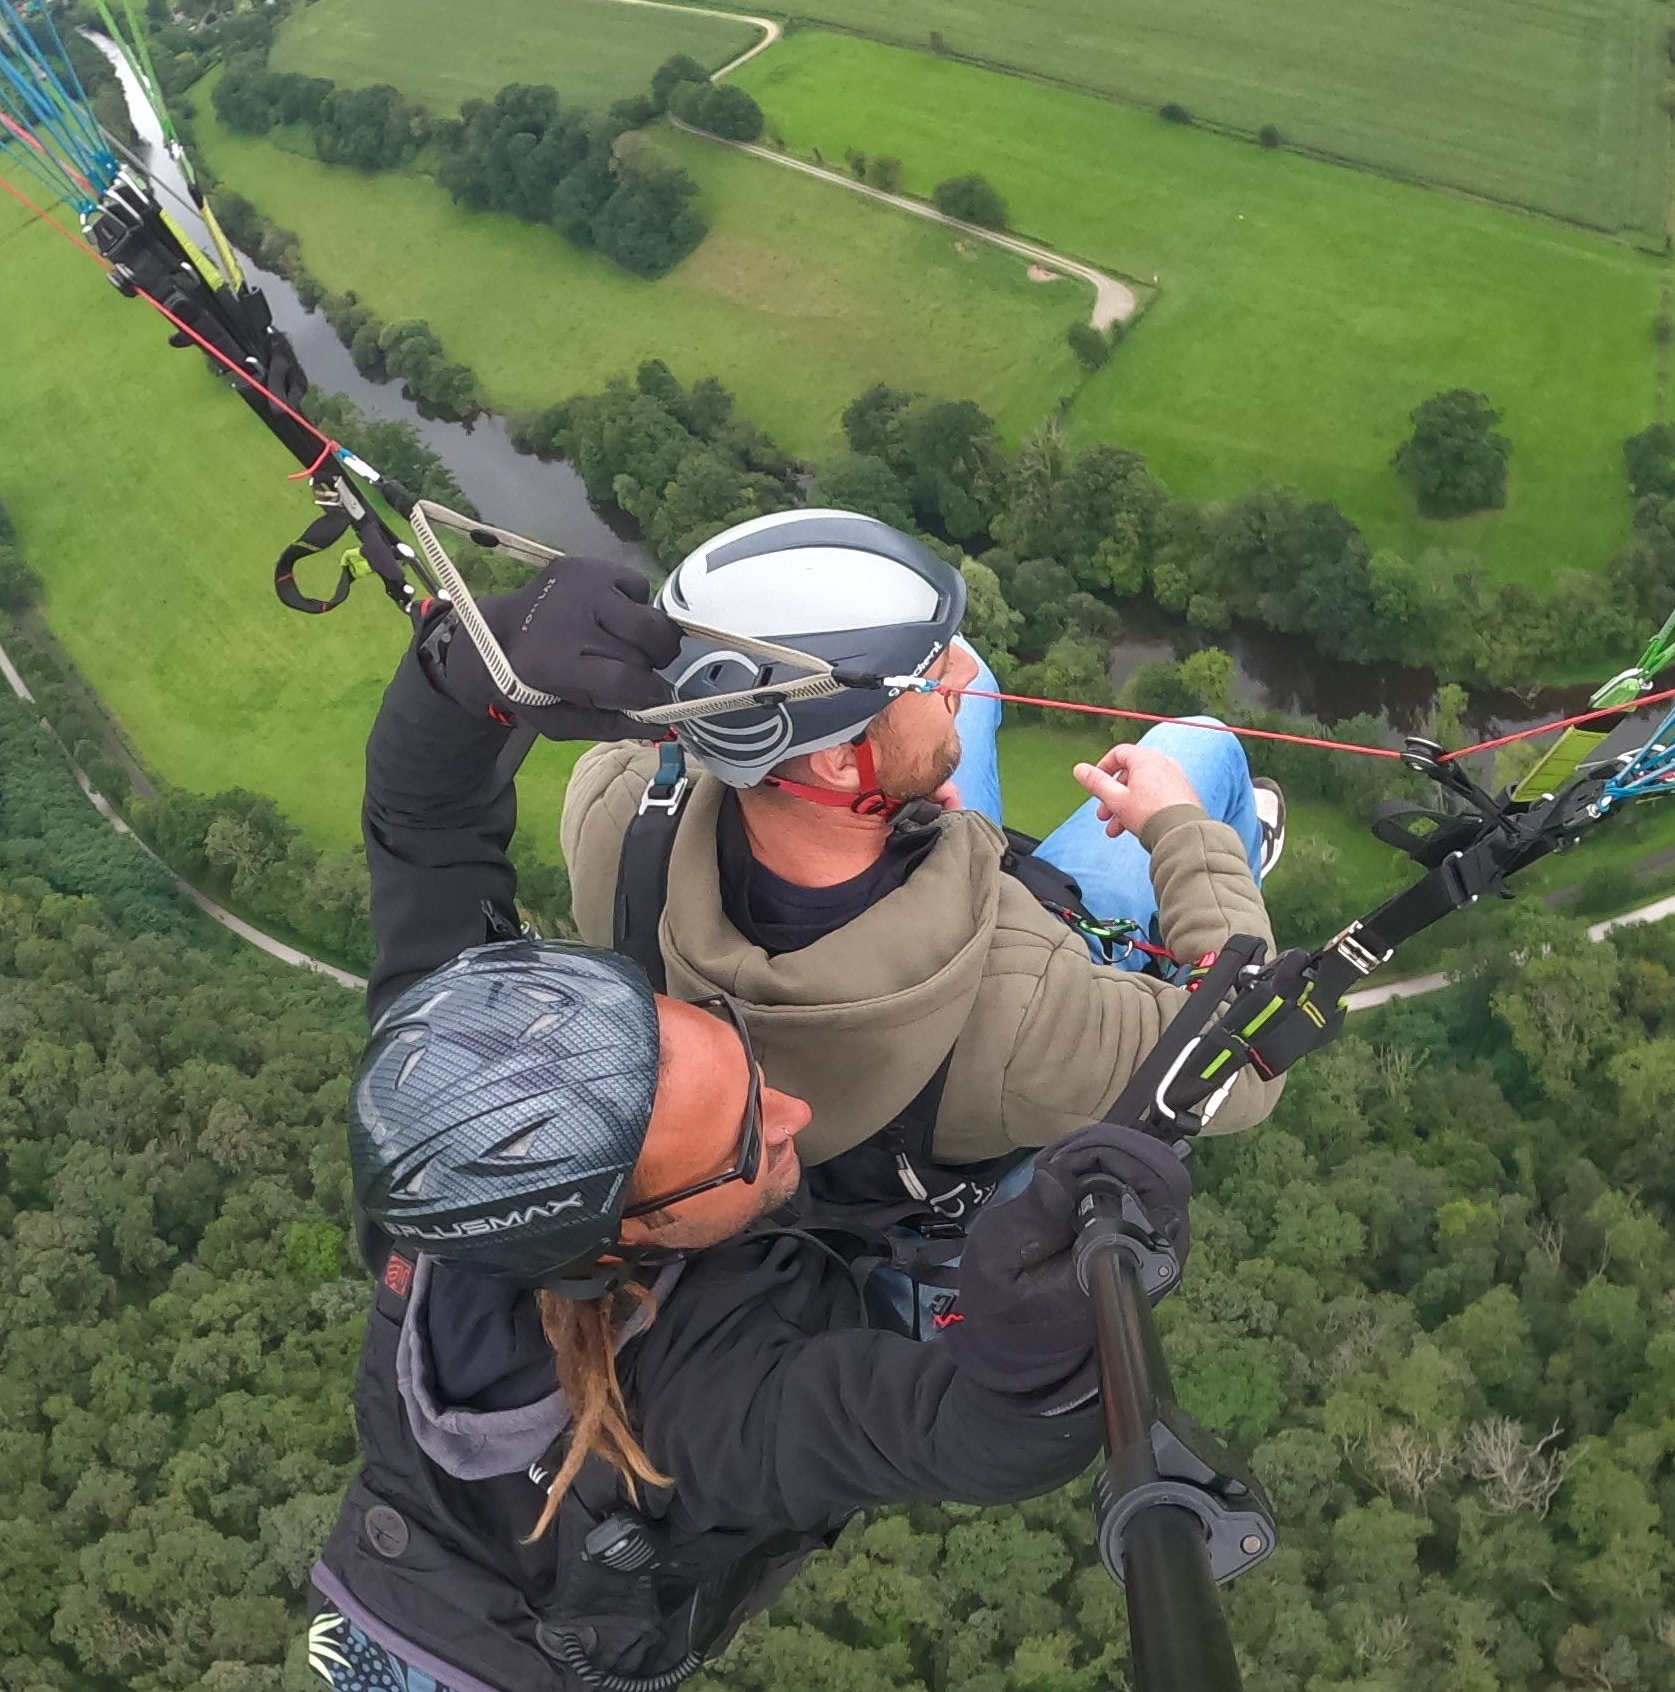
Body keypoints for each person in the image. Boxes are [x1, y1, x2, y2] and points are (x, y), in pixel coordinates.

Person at [306, 897, 1196, 1692]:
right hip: (834, 1304)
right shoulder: (706, 1416)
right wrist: (1045, 1298)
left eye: (738, 1056)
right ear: (626, 1241)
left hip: (766, 1265)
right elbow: (984, 1438)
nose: (795, 1112)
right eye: (744, 1141)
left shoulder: (435, 1167)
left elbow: (430, 858)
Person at [506, 510, 1291, 1231]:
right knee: (1199, 744)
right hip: (972, 1019)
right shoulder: (1027, 1011)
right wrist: (1186, 835)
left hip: (850, 835)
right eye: (925, 676)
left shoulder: (617, 807)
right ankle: (1239, 834)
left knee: (981, 687)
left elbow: (690, 735)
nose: (952, 671)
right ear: (841, 760)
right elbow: (1246, 1070)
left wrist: (888, 796)